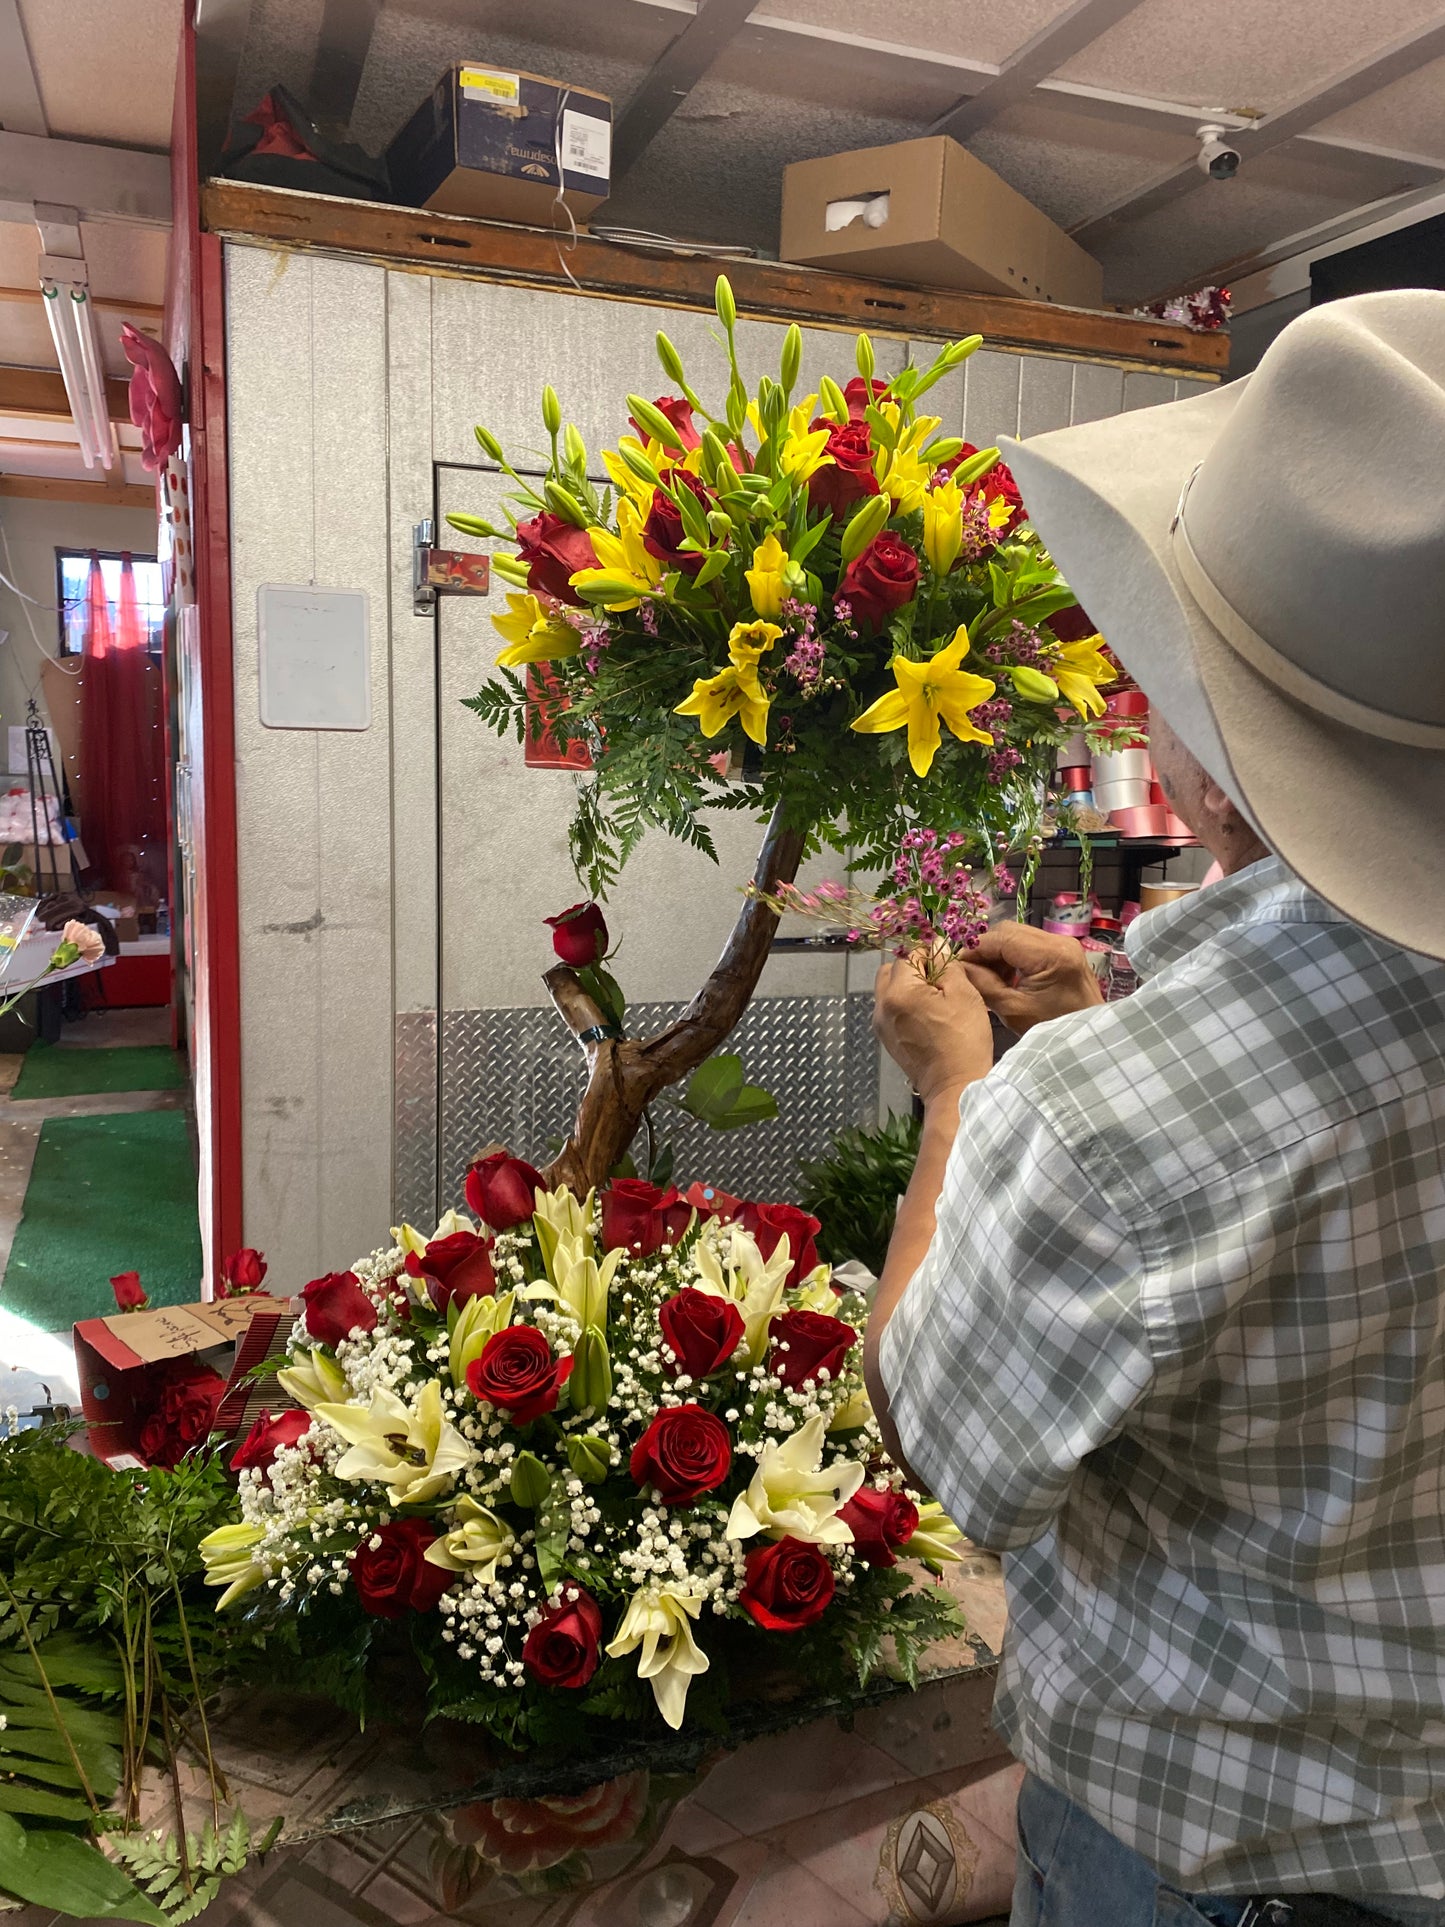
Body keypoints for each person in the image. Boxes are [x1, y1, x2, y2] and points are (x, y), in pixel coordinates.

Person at [863, 290, 1445, 1927]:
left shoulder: (1105, 1121)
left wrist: (959, 1096)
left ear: (1198, 768)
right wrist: (1121, 1019)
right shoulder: (1151, 1084)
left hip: (1220, 1880)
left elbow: (937, 1434)